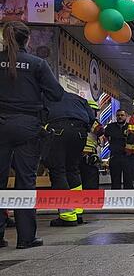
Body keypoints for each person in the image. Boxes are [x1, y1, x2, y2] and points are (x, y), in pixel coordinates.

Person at [0, 22, 64, 248]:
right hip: (27, 125)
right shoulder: (37, 64)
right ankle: (26, 237)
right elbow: (56, 94)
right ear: (27, 39)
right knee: (25, 180)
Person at [43, 92, 95, 226]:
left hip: (58, 129)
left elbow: (39, 116)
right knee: (73, 170)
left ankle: (67, 216)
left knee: (58, 171)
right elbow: (91, 117)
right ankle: (77, 212)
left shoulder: (46, 96)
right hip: (80, 133)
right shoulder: (77, 98)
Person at [79, 100, 105, 192]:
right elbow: (100, 131)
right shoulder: (92, 121)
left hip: (77, 152)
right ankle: (91, 199)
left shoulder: (78, 119)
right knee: (90, 177)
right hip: (88, 153)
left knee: (79, 177)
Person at [104, 109, 130, 189]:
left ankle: (128, 198)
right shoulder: (110, 126)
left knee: (128, 180)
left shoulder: (130, 126)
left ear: (126, 116)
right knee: (115, 181)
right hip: (115, 156)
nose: (120, 117)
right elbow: (106, 137)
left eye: (122, 115)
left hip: (127, 156)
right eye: (118, 115)